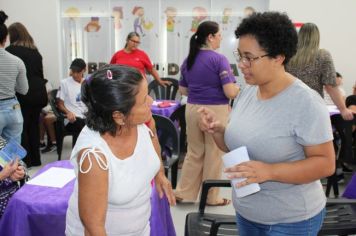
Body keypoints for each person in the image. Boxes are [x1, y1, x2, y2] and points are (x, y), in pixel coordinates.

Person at [199, 12, 335, 235]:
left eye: (249, 58)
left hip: (291, 219)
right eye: (239, 55)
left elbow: (325, 164)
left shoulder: (306, 103)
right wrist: (219, 130)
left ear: (278, 58)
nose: (241, 65)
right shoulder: (248, 92)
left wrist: (270, 171)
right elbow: (234, 146)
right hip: (248, 212)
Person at [65, 64, 175, 235]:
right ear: (119, 116)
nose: (151, 102)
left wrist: (159, 172)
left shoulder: (141, 120)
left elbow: (151, 136)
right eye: (145, 98)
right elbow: (94, 228)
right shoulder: (94, 157)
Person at [174, 21, 239, 206]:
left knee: (194, 152)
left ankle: (184, 192)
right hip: (215, 110)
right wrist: (239, 90)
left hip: (192, 109)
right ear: (210, 37)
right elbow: (230, 92)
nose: (220, 39)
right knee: (214, 153)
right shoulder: (219, 60)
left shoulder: (189, 60)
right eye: (219, 35)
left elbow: (183, 90)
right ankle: (211, 197)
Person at [286, 23, 353, 121]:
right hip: (313, 107)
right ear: (317, 37)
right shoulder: (323, 55)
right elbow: (330, 86)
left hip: (289, 105)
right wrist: (343, 109)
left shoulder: (289, 55)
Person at [6, 22, 48, 167]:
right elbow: (41, 74)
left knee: (21, 128)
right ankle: (36, 159)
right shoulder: (35, 51)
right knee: (34, 126)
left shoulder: (10, 51)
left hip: (23, 93)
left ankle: (26, 161)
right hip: (39, 93)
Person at [0, 11, 28, 144]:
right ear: (6, 38)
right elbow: (24, 90)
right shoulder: (17, 61)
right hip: (13, 109)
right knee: (12, 154)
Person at [57, 58, 87, 144]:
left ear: (84, 70)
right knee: (82, 127)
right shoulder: (64, 83)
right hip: (71, 119)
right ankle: (77, 154)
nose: (75, 74)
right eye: (73, 71)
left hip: (85, 117)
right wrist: (68, 112)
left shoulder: (87, 83)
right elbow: (60, 104)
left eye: (78, 72)